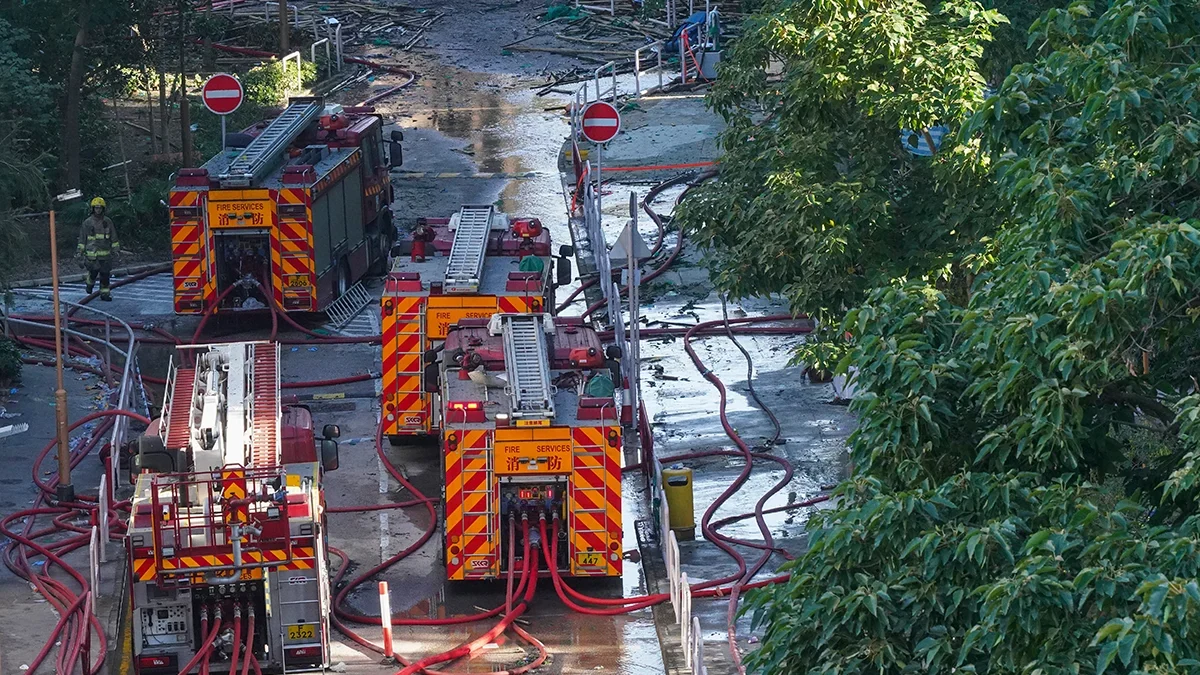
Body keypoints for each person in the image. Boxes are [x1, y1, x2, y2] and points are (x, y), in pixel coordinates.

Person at [76, 197, 120, 300]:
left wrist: (116, 250)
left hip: (105, 255)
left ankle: (105, 294)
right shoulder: (87, 223)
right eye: (96, 208)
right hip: (92, 255)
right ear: (93, 209)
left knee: (105, 275)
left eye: (100, 208)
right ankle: (89, 283)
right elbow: (82, 239)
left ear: (103, 209)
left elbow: (114, 237)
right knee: (93, 272)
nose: (98, 210)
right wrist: (80, 252)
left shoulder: (108, 222)